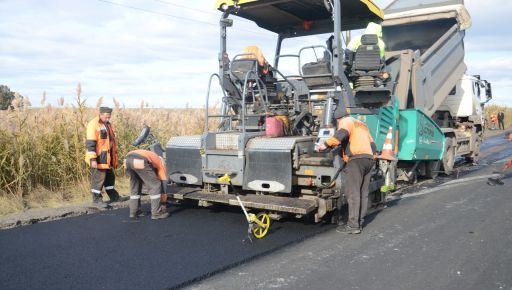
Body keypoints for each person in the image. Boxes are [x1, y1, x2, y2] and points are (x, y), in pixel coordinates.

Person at [316, 106, 377, 234]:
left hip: (356, 160)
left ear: (338, 119)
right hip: (369, 159)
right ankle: (359, 221)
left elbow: (340, 135)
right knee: (363, 192)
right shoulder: (361, 124)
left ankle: (353, 226)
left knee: (353, 193)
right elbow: (372, 144)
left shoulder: (346, 122)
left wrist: (324, 145)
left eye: (337, 122)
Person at [85, 106, 120, 208]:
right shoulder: (93, 124)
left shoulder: (108, 124)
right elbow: (91, 143)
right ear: (100, 114)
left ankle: (113, 196)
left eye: (109, 117)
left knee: (110, 177)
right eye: (106, 117)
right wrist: (92, 159)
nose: (108, 119)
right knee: (98, 179)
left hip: (107, 158)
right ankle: (96, 199)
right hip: (99, 157)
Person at [125, 149, 169, 220]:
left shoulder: (151, 155)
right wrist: (163, 201)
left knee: (135, 185)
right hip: (139, 159)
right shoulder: (160, 162)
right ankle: (156, 213)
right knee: (155, 185)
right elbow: (163, 181)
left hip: (128, 159)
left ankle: (134, 212)